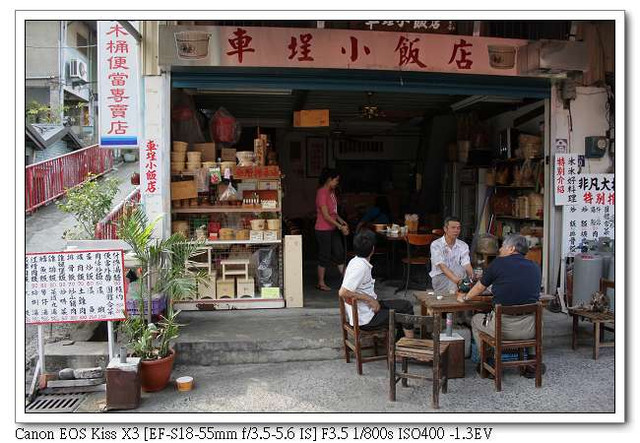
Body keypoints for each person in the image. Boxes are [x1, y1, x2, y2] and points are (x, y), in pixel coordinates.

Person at [458, 234, 544, 378]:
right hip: (530, 330)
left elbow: (479, 288)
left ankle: (488, 361)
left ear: (511, 248)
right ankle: (531, 362)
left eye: (503, 246)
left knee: (476, 320)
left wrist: (465, 298)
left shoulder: (498, 263)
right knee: (533, 315)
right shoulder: (535, 266)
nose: (500, 250)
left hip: (503, 329)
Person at [339, 231, 414, 338]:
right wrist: (369, 299)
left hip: (368, 310)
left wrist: (371, 300)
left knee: (405, 306)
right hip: (366, 320)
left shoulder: (355, 261)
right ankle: (408, 348)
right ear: (373, 249)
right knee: (404, 314)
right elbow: (343, 292)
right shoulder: (360, 267)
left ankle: (400, 347)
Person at [315, 168, 349, 291]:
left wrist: (341, 221)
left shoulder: (331, 192)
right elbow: (325, 215)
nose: (337, 183)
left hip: (333, 227)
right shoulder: (322, 193)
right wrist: (340, 226)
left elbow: (334, 213)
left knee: (339, 253)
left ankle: (347, 281)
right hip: (323, 229)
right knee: (324, 255)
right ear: (329, 180)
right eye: (336, 180)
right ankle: (321, 282)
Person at [429, 216, 474, 294]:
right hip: (441, 278)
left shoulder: (463, 245)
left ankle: (454, 294)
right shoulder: (436, 245)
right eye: (453, 228)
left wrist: (473, 278)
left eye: (458, 228)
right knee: (458, 270)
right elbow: (442, 267)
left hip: (458, 278)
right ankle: (457, 294)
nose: (456, 231)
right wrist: (459, 282)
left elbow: (467, 265)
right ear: (445, 229)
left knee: (459, 269)